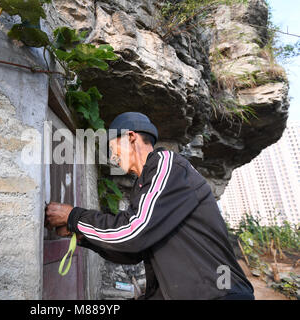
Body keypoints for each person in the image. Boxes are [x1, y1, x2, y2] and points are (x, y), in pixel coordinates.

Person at [45, 112, 254, 300]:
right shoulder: (144, 184)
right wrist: (84, 237)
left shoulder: (166, 164)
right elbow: (134, 252)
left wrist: (74, 217)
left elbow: (133, 232)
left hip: (221, 293)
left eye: (112, 147)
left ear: (130, 137)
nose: (112, 157)